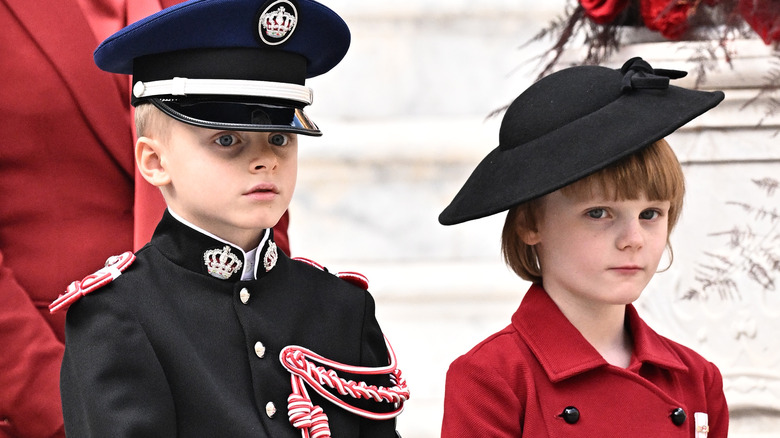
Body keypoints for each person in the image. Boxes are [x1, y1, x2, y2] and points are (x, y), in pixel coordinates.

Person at [51, 0, 408, 436]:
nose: (264, 160)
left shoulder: (342, 308)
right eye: (226, 139)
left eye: (280, 137)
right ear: (154, 161)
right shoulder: (117, 317)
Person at [437, 57, 728, 437]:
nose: (633, 239)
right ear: (530, 223)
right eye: (598, 213)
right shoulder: (494, 377)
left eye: (651, 214)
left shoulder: (696, 378)